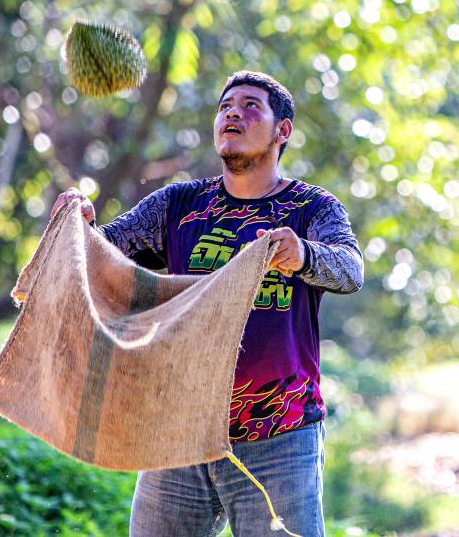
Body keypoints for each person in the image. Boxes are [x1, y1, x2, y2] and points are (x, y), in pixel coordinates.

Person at [50, 70, 364, 537]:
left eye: (250, 105)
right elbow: (99, 257)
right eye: (225, 106)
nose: (233, 112)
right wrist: (77, 225)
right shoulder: (179, 205)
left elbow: (350, 269)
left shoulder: (311, 208)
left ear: (283, 131)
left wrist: (303, 253)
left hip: (280, 436)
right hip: (178, 433)